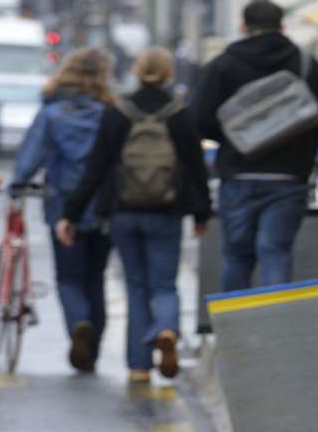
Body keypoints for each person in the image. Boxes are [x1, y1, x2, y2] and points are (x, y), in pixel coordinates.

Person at [59, 47, 212, 384]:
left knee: (135, 286)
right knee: (164, 284)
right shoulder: (178, 114)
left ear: (137, 72)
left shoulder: (118, 112)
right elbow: (195, 167)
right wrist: (201, 212)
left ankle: (139, 366)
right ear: (168, 74)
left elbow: (96, 168)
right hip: (167, 212)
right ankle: (168, 329)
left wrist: (71, 213)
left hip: (123, 212)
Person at [193, 0, 318, 292]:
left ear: (243, 27)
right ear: (282, 25)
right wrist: (294, 139)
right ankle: (276, 331)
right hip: (289, 176)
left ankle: (236, 330)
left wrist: (237, 139)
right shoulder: (305, 64)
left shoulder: (222, 65)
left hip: (238, 174)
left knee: (236, 256)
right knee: (276, 254)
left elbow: (199, 118)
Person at [11, 47, 116, 373]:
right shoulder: (111, 113)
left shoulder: (52, 114)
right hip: (103, 206)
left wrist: (16, 185)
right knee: (95, 278)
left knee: (69, 278)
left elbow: (30, 158)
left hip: (62, 207)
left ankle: (78, 324)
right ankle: (93, 349)